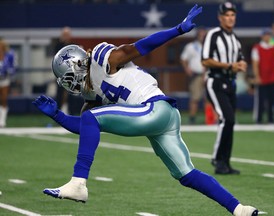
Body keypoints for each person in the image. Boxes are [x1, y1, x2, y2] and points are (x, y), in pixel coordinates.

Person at [33, 5, 259, 216]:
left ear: (77, 65)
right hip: (165, 117)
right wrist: (56, 115)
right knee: (186, 174)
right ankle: (239, 209)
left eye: (68, 78)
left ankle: (78, 183)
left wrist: (178, 29)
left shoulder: (103, 58)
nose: (70, 84)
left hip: (153, 109)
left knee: (92, 117)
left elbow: (140, 47)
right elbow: (85, 127)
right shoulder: (91, 93)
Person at [201, 2, 246, 175]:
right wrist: (229, 65)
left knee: (230, 121)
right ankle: (217, 159)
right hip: (216, 81)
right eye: (227, 15)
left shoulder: (235, 39)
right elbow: (205, 60)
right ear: (220, 18)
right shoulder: (213, 34)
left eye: (232, 15)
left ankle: (225, 162)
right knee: (227, 119)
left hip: (230, 83)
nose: (230, 18)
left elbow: (240, 59)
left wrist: (242, 64)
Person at [251, 29, 274, 124]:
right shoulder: (257, 48)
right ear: (262, 37)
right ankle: (259, 119)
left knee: (272, 99)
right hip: (262, 78)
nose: (267, 37)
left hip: (272, 78)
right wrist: (257, 76)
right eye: (265, 35)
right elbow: (255, 63)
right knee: (261, 100)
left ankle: (271, 119)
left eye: (268, 35)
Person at [180, 27, 207, 124]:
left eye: (204, 35)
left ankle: (209, 119)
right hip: (196, 75)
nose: (202, 37)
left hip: (208, 75)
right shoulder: (191, 46)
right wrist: (187, 69)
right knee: (195, 98)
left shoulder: (209, 46)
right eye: (201, 35)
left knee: (208, 98)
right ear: (197, 36)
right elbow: (183, 58)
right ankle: (192, 118)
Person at [54, 26, 73, 114]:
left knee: (69, 93)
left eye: (67, 35)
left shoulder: (73, 45)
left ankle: (67, 109)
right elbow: (56, 59)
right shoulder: (58, 45)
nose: (65, 36)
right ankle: (60, 110)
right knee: (60, 92)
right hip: (61, 73)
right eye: (64, 35)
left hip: (72, 73)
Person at [0, 38, 15, 128]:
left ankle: (2, 120)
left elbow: (13, 68)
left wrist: (8, 70)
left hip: (5, 79)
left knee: (4, 99)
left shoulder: (9, 55)